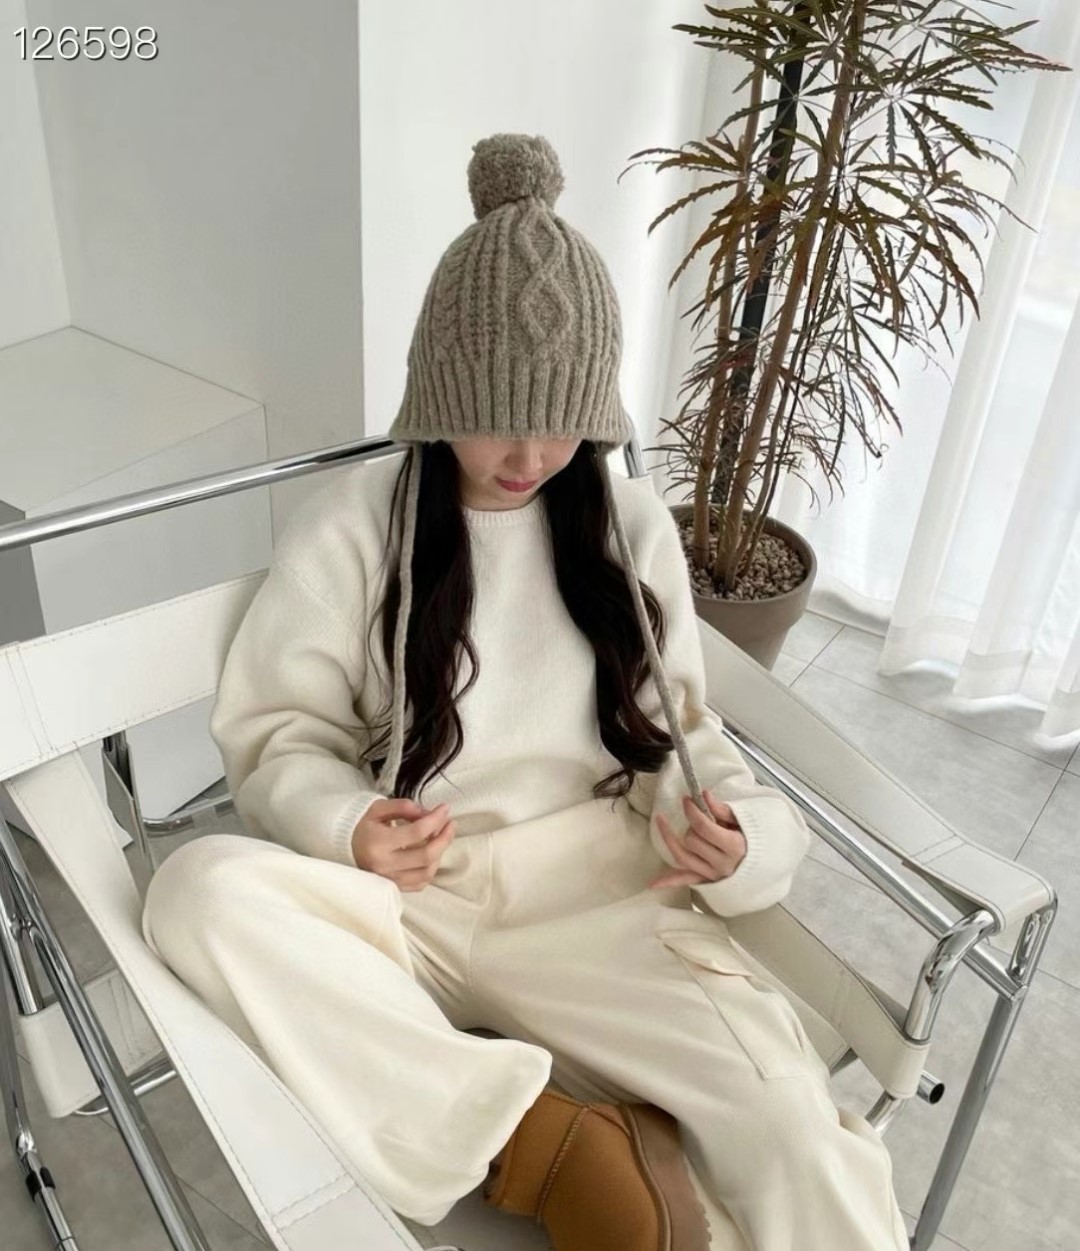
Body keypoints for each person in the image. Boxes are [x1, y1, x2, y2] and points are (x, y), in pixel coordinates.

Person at [141, 133, 910, 1251]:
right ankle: (550, 1150)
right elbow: (279, 733)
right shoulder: (354, 528)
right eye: (501, 414)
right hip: (414, 903)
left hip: (601, 904)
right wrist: (347, 824)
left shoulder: (626, 526)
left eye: (564, 418)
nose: (532, 453)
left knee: (792, 1135)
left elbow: (685, 732)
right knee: (196, 892)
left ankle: (557, 1128)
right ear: (442, 392)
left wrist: (746, 838)